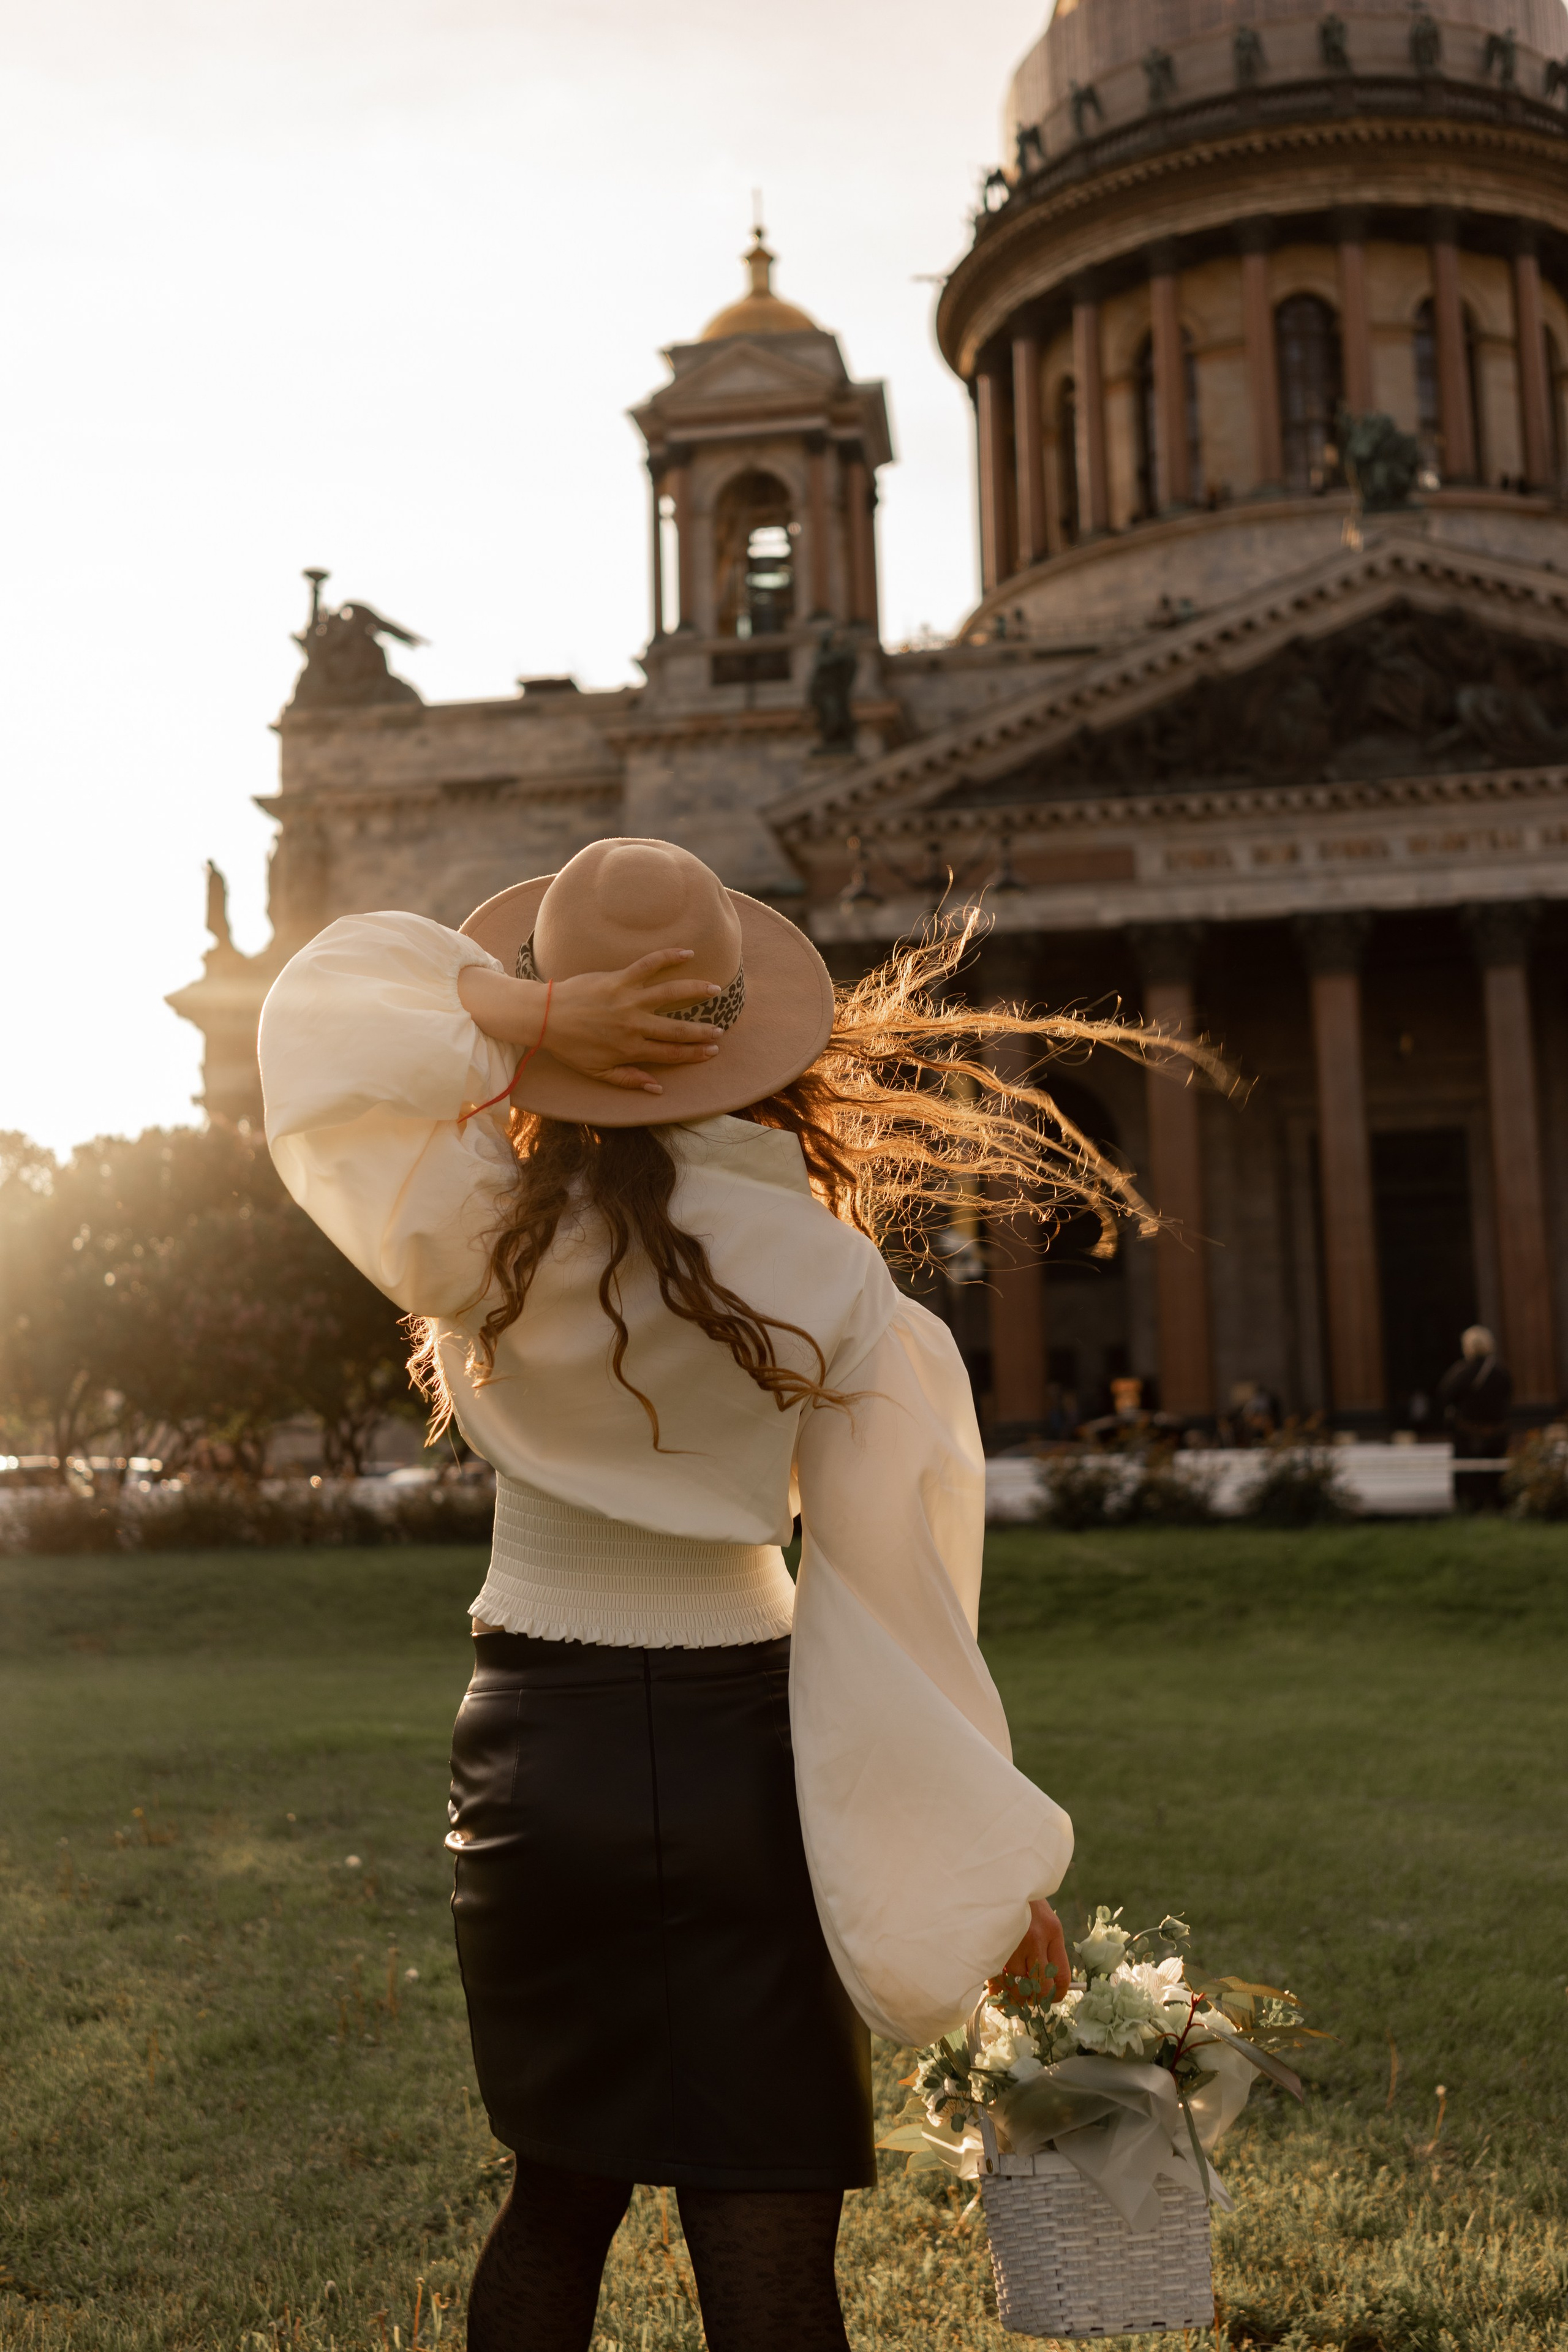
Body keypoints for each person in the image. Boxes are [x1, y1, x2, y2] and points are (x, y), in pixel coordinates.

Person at [257, 838, 1193, 2352]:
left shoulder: (463, 1215)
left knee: (556, 2199)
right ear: (737, 1027)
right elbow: (888, 1598)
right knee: (764, 2227)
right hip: (734, 1761)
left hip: (528, 1755)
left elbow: (321, 1010)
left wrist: (520, 1014)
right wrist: (986, 1852)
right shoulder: (823, 1275)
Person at [1438, 1324, 1513, 1511]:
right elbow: (1508, 1395)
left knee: (1470, 1475)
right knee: (1495, 1475)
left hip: (1468, 1433)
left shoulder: (1462, 1372)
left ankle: (1471, 1508)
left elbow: (1445, 1395)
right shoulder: (1501, 1371)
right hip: (1497, 1433)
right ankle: (1498, 1507)